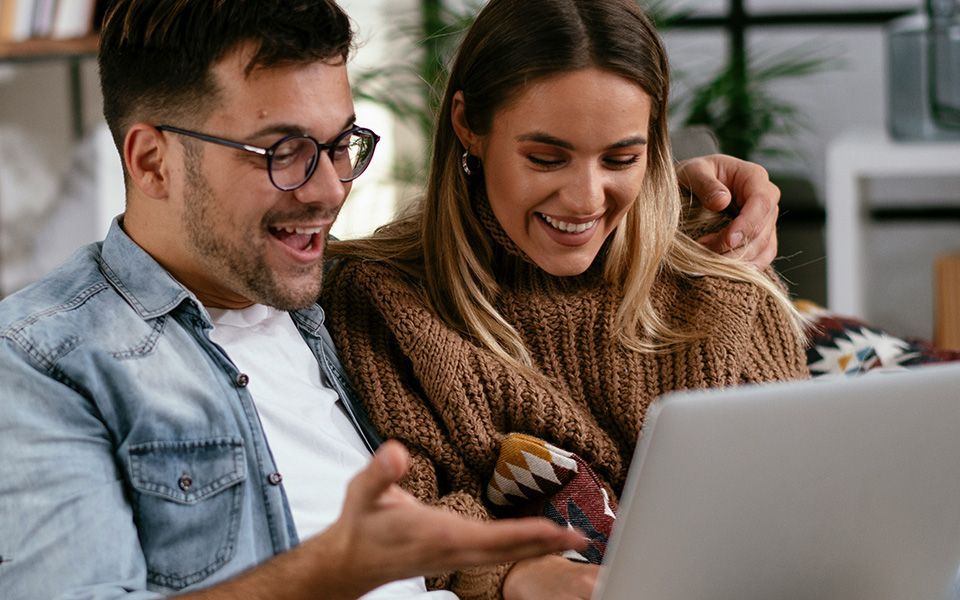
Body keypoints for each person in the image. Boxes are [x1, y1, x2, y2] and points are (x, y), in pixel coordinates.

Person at [0, 1, 784, 599]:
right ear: (151, 160)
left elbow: (515, 260)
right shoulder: (46, 363)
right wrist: (331, 572)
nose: (331, 188)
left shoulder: (339, 294)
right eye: (284, 153)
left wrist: (670, 192)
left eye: (342, 144)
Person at [320, 1, 810, 599]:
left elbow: (798, 505)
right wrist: (511, 577)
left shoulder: (721, 286)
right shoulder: (383, 300)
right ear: (468, 124)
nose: (584, 199)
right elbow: (408, 516)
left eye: (621, 159)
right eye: (546, 158)